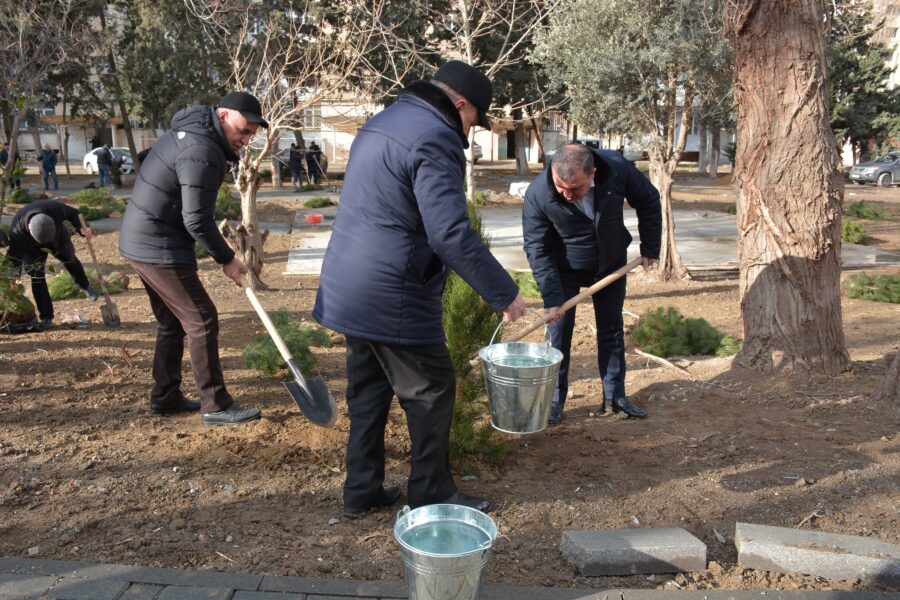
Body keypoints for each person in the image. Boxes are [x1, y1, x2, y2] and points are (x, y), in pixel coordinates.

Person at [313, 60, 527, 518]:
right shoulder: (435, 135)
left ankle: (362, 489)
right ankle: (431, 492)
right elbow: (449, 231)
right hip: (392, 291)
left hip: (348, 284)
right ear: (461, 104)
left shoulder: (382, 122)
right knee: (431, 389)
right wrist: (502, 292)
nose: (471, 132)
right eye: (475, 121)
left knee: (368, 391)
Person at [119, 91, 268, 426]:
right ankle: (215, 405)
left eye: (252, 136)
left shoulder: (198, 136)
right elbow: (197, 220)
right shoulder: (201, 149)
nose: (246, 140)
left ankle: (165, 396)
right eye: (244, 130)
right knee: (202, 319)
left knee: (172, 321)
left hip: (145, 239)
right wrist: (228, 259)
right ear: (225, 115)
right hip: (157, 244)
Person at [522, 143, 661, 424]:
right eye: (561, 187)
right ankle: (553, 402)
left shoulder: (618, 170)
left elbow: (648, 199)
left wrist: (651, 246)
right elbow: (537, 248)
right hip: (564, 271)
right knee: (558, 334)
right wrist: (552, 298)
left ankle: (614, 397)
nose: (566, 195)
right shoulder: (539, 192)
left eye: (576, 189)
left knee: (611, 329)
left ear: (593, 173)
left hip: (610, 264)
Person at [6, 199, 97, 329]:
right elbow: (15, 258)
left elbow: (74, 214)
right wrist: (13, 282)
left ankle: (85, 286)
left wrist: (82, 228)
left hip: (57, 237)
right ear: (29, 228)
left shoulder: (53, 207)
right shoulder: (17, 231)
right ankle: (46, 317)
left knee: (70, 260)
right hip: (32, 247)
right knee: (37, 277)